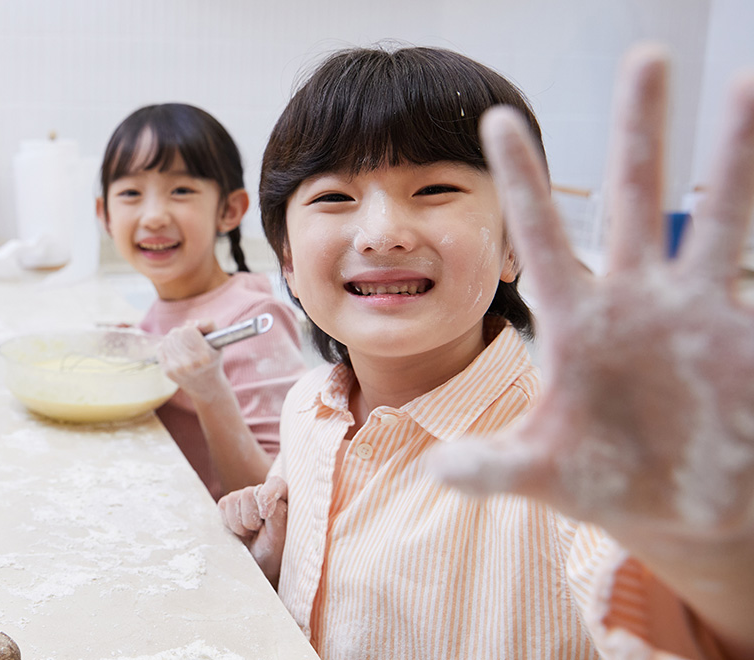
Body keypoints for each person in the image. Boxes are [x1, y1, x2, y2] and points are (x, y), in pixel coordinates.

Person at [219, 43, 754, 659]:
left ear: (514, 244)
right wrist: (273, 557)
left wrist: (716, 554)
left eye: (436, 189)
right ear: (286, 255)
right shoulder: (309, 404)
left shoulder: (574, 462)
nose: (382, 234)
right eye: (333, 197)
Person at [95, 103, 308, 500]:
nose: (154, 216)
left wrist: (209, 389)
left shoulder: (253, 320)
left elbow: (275, 498)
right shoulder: (163, 308)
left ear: (229, 211)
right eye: (130, 193)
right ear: (104, 214)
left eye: (181, 191)